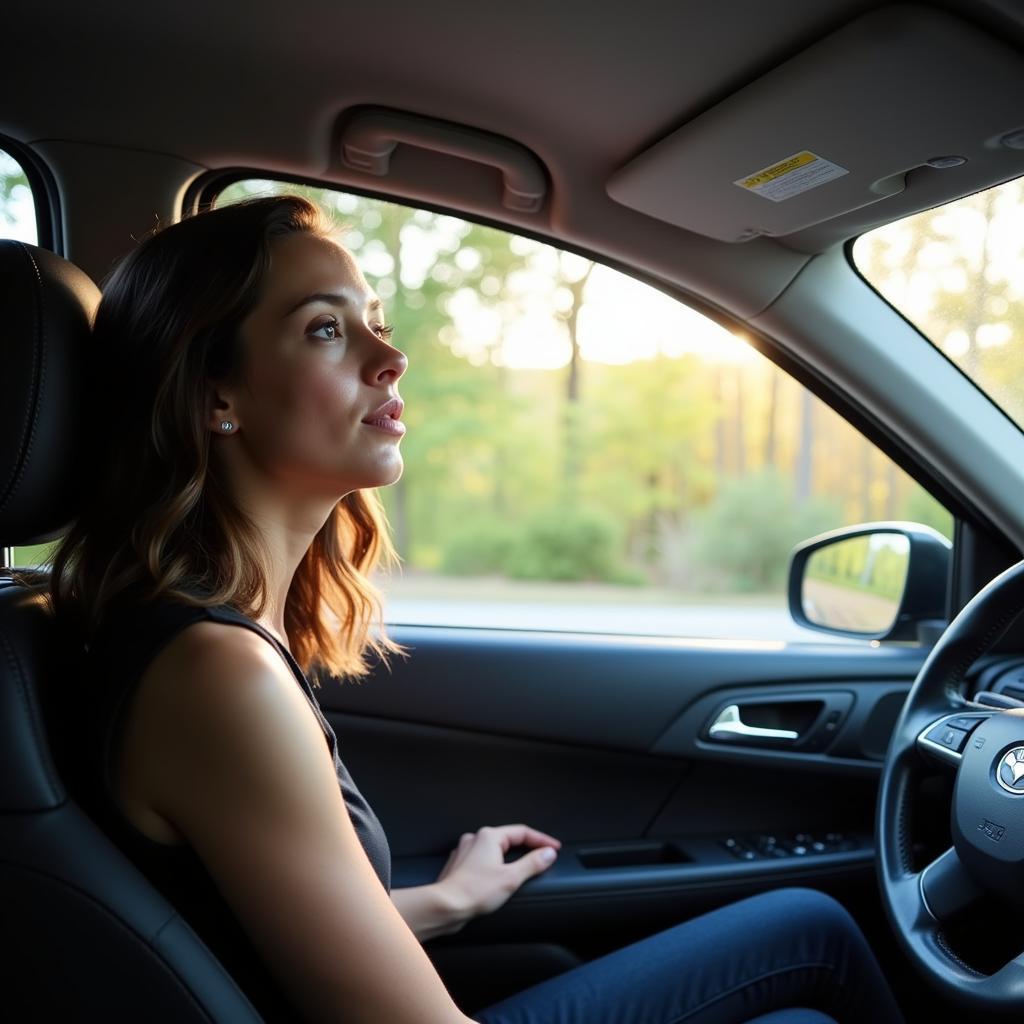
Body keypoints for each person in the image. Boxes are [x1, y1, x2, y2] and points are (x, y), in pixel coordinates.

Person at [45, 194, 905, 1024]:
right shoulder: (214, 674)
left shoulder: (194, 634)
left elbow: (234, 931)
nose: (390, 356)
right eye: (325, 329)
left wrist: (448, 899)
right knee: (813, 934)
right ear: (215, 397)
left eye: (376, 319)